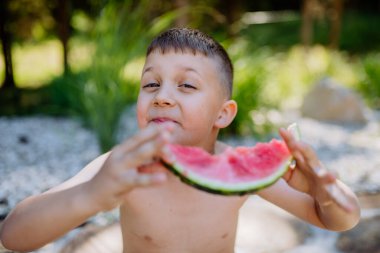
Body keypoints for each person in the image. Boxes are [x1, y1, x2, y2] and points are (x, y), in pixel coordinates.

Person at [0, 28, 360, 253]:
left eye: (186, 85)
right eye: (151, 84)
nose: (162, 97)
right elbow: (14, 235)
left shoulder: (239, 171)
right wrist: (91, 193)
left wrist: (326, 193)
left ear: (224, 114)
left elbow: (338, 221)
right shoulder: (124, 167)